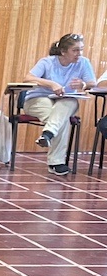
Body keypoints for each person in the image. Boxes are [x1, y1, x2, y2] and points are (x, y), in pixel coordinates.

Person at [16, 33, 96, 177]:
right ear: (63, 52)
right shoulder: (47, 62)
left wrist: (83, 85)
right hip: (38, 100)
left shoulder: (83, 62)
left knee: (67, 105)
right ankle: (56, 162)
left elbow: (92, 83)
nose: (79, 53)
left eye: (81, 49)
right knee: (61, 119)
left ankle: (48, 134)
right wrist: (51, 84)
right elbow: (27, 78)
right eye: (75, 50)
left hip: (66, 100)